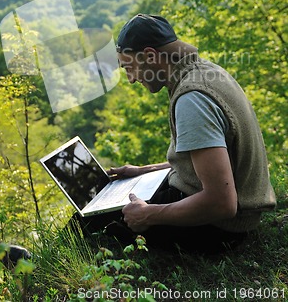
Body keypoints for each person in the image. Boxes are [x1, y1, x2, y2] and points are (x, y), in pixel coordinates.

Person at [104, 13, 276, 254]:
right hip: (236, 213)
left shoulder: (192, 100)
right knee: (114, 208)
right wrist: (143, 171)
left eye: (130, 68)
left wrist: (148, 215)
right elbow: (208, 162)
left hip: (220, 227)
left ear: (151, 56)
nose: (131, 79)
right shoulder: (207, 70)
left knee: (92, 226)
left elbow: (222, 204)